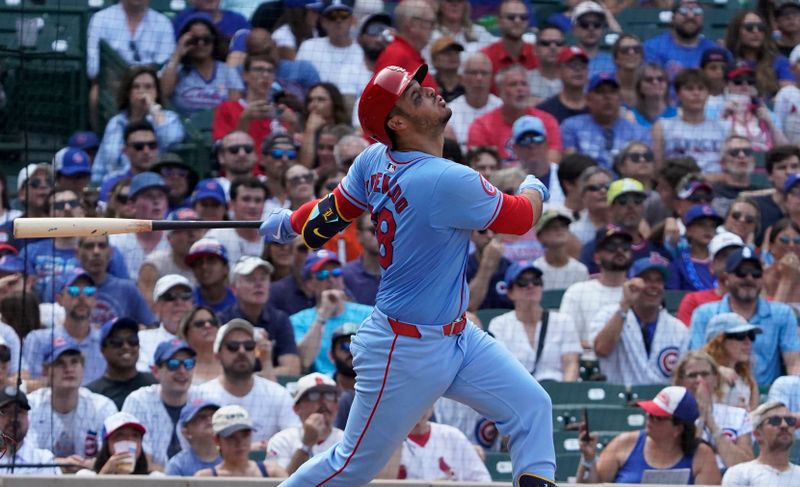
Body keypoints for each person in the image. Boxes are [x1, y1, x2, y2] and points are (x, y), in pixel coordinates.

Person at [258, 63, 555, 486]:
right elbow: (522, 217)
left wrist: (292, 223)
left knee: (532, 407)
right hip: (404, 349)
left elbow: (331, 214)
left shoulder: (374, 159)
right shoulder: (443, 178)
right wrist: (536, 185)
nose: (431, 92)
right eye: (415, 95)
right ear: (396, 121)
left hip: (456, 336)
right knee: (349, 466)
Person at [689, 246, 800, 385]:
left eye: (756, 273)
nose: (749, 278)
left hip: (768, 399)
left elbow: (795, 362)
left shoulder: (782, 313)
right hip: (719, 393)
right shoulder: (704, 314)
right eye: (741, 273)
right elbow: (695, 360)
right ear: (727, 277)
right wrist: (717, 371)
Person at [576, 385, 721, 484]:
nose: (649, 418)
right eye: (649, 413)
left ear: (678, 428)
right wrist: (588, 459)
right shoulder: (624, 443)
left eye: (657, 417)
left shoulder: (702, 456)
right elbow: (592, 485)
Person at [195, 319, 300, 445]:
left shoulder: (278, 394)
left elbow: (294, 441)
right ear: (217, 356)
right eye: (233, 346)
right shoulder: (202, 395)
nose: (242, 351)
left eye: (249, 346)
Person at [591, 254, 689, 385]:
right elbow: (602, 350)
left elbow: (683, 377)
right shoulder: (609, 314)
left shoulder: (678, 328)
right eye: (646, 280)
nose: (653, 286)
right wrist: (625, 305)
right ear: (630, 284)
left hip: (661, 400)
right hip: (617, 397)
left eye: (658, 280)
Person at [28, 338, 118, 468]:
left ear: (83, 368)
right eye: (60, 363)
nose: (68, 369)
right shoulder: (31, 406)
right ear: (46, 371)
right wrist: (57, 464)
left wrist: (88, 465)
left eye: (74, 362)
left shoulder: (102, 407)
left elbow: (112, 457)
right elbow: (23, 455)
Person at [488, 262, 582, 381]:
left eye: (536, 281)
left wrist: (565, 394)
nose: (531, 286)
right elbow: (500, 369)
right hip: (518, 391)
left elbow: (571, 365)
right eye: (522, 282)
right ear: (510, 292)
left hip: (557, 389)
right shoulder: (499, 325)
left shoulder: (563, 321)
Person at [92, 66, 185, 186]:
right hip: (116, 187)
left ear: (156, 91)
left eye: (148, 87)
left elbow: (170, 138)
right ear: (128, 92)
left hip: (154, 184)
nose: (142, 92)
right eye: (136, 87)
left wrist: (152, 107)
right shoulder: (116, 122)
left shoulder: (168, 118)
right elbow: (101, 163)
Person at [86, 0, 175, 122]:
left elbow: (165, 65)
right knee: (95, 92)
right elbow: (93, 69)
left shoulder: (163, 23)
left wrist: (142, 82)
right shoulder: (101, 19)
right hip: (114, 85)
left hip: (151, 85)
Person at [290, 249, 372, 374]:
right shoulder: (298, 320)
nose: (330, 279)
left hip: (362, 381)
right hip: (322, 386)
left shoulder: (368, 314)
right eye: (322, 275)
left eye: (336, 273)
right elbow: (304, 361)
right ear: (308, 284)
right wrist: (323, 315)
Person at [217, 256, 301, 379]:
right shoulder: (222, 321)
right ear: (234, 288)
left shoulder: (280, 319)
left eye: (263, 279)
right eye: (250, 280)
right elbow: (216, 368)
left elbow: (292, 369)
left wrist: (252, 378)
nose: (258, 284)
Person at [22, 268, 107, 386]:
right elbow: (24, 382)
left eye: (89, 291)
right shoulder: (38, 339)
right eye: (73, 291)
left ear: (95, 301)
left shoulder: (106, 341)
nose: (82, 297)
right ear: (59, 300)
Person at [122, 338, 197, 468]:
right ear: (156, 371)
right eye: (173, 364)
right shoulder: (139, 401)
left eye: (188, 363)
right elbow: (141, 463)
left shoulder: (203, 400)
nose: (182, 371)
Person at [673, 351, 754, 470]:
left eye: (705, 374)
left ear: (716, 379)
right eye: (692, 375)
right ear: (681, 382)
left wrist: (711, 423)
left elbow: (745, 468)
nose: (699, 380)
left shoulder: (739, 415)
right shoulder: (672, 416)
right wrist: (701, 419)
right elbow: (683, 463)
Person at [467, 64, 562, 162]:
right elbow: (479, 165)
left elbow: (553, 161)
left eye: (524, 84)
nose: (520, 89)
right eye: (513, 84)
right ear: (500, 91)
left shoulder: (546, 121)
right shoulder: (482, 126)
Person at [561, 73, 651, 170]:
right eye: (600, 92)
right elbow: (570, 167)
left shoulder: (638, 132)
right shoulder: (572, 126)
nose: (607, 97)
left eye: (612, 92)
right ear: (587, 99)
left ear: (620, 99)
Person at [160, 13, 244, 116]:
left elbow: (235, 110)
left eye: (206, 39)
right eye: (194, 40)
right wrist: (177, 54)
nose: (201, 44)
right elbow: (163, 93)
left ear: (214, 41)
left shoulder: (227, 71)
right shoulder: (175, 69)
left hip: (220, 128)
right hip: (184, 128)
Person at [266, 373, 344, 474]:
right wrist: (306, 446)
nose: (323, 401)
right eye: (313, 395)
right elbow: (281, 483)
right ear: (296, 408)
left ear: (337, 406)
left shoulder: (347, 441)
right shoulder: (282, 440)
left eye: (329, 395)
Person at [296, 0, 371, 100]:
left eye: (343, 15)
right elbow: (296, 86)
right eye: (332, 16)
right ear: (323, 22)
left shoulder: (364, 52)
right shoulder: (309, 47)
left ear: (352, 21)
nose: (338, 20)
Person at [77, 234, 156, 326]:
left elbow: (152, 326)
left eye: (102, 246)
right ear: (77, 253)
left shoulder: (128, 290)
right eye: (89, 246)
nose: (96, 251)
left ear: (110, 252)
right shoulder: (69, 289)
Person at [397, 408, 491, 481]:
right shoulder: (392, 442)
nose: (417, 415)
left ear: (432, 406)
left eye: (422, 404)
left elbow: (483, 480)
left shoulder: (452, 435)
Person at [721, 400, 800, 485]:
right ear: (757, 434)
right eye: (775, 421)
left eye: (790, 420)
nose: (784, 425)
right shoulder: (739, 474)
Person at [195, 405, 286, 477]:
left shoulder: (273, 472)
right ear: (217, 440)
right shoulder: (205, 478)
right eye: (231, 436)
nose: (240, 442)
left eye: (245, 434)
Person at [87, 317, 158, 410]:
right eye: (117, 342)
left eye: (132, 341)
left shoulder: (155, 385)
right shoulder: (92, 395)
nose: (126, 346)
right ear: (102, 350)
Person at [138, 208, 204, 306]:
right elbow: (147, 306)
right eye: (185, 229)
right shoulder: (154, 265)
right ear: (169, 238)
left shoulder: (213, 263)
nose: (192, 234)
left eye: (196, 228)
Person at [109, 172, 170, 277]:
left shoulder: (175, 239)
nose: (156, 202)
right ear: (132, 205)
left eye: (161, 196)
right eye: (149, 196)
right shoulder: (116, 241)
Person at [725, 10, 795, 99]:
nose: (756, 31)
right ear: (737, 31)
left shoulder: (779, 61)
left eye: (760, 27)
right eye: (749, 27)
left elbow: (788, 96)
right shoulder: (727, 59)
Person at [677, 232, 744, 325]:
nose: (731, 261)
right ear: (712, 266)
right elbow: (689, 338)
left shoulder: (756, 300)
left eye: (736, 256)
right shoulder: (694, 301)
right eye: (724, 256)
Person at [372, 0, 438, 90]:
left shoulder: (409, 53)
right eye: (430, 23)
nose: (433, 29)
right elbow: (380, 96)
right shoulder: (395, 54)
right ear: (412, 24)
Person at [643, 0, 718, 78]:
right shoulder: (652, 47)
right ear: (673, 17)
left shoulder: (713, 50)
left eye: (697, 11)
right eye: (684, 11)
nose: (691, 16)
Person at [702, 313, 762, 410]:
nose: (748, 342)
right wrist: (714, 372)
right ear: (719, 341)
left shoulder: (748, 380)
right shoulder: (700, 374)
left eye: (751, 335)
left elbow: (752, 419)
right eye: (740, 336)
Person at [136, 274, 194, 371]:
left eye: (185, 296)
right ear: (156, 307)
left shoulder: (205, 337)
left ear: (192, 303)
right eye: (170, 297)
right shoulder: (141, 339)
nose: (179, 302)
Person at [204, 177, 267, 267]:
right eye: (246, 199)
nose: (253, 206)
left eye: (258, 200)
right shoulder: (215, 238)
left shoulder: (273, 237)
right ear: (231, 205)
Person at [447, 52, 502, 150]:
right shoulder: (450, 111)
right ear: (461, 79)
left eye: (484, 73)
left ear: (491, 78)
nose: (479, 78)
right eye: (473, 73)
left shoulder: (502, 108)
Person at [0, 388, 60, 475]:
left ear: (28, 417)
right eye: (4, 412)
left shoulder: (44, 460)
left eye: (19, 412)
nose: (13, 418)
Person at [667, 204, 724, 291]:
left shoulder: (722, 261)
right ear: (688, 230)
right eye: (702, 225)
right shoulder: (678, 265)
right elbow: (673, 300)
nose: (708, 229)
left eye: (712, 225)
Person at [511, 115, 565, 204]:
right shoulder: (509, 181)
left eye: (537, 138)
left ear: (546, 143)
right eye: (524, 140)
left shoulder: (564, 175)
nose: (531, 145)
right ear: (515, 148)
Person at [480, 0, 538, 83]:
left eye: (523, 17)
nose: (517, 21)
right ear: (499, 21)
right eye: (511, 17)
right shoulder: (485, 58)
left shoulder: (538, 55)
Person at [533, 208, 589, 290]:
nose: (559, 229)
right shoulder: (535, 269)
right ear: (540, 236)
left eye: (563, 226)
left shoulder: (580, 270)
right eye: (552, 226)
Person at [165, 400, 221, 476]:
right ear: (186, 432)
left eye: (213, 416)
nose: (209, 419)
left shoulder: (232, 457)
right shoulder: (178, 465)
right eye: (201, 417)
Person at [536, 46, 590, 124]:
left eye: (583, 65)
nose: (578, 69)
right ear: (559, 70)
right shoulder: (545, 110)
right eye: (572, 65)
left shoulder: (596, 107)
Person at [185, 238, 236, 313]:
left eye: (211, 260)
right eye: (198, 262)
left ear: (226, 268)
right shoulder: (187, 302)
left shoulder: (239, 301)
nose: (204, 266)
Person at [570, 1, 618, 78]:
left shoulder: (614, 62)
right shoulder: (566, 61)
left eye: (597, 24)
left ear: (603, 29)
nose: (591, 28)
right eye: (584, 24)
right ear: (574, 30)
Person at [177, 306, 222, 384]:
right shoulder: (179, 367)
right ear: (186, 333)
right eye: (199, 324)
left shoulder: (230, 362)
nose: (208, 326)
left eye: (213, 322)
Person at [763, 218, 800, 306]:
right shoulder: (761, 277)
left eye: (797, 240)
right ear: (771, 246)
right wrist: (787, 278)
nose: (791, 245)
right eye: (784, 240)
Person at [628, 64, 676, 129]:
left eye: (660, 79)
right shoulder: (630, 117)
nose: (655, 82)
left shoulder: (678, 114)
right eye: (649, 80)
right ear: (639, 87)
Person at [527, 25, 565, 102]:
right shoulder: (524, 80)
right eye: (545, 43)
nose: (553, 47)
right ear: (535, 49)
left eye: (558, 43)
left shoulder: (575, 80)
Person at [430, 36, 465, 103]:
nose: (453, 56)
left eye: (456, 52)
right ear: (434, 60)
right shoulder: (428, 86)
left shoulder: (469, 84)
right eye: (447, 53)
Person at [612, 35, 644, 107]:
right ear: (615, 59)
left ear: (642, 58)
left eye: (636, 49)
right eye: (625, 50)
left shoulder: (650, 84)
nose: (631, 53)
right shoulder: (608, 86)